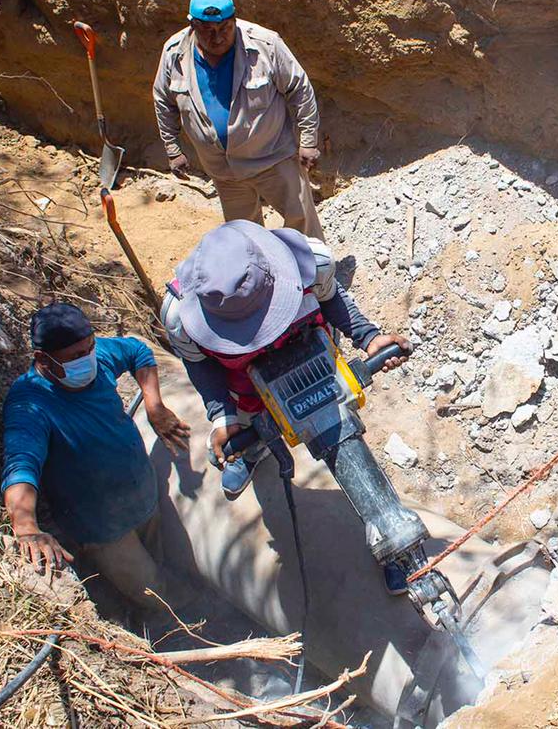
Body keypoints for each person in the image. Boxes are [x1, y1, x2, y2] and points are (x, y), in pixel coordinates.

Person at [160, 220, 412, 589]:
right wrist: (223, 416)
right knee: (247, 429)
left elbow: (332, 298)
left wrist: (367, 335)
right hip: (248, 390)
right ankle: (252, 452)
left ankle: (395, 542)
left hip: (317, 369)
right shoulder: (179, 319)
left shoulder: (312, 261)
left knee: (344, 444)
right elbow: (199, 366)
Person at [1, 302, 192, 613]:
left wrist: (155, 407)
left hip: (143, 497)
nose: (87, 359)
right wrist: (25, 526)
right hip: (102, 528)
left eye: (89, 347)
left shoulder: (95, 355)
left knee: (162, 558)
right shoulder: (30, 404)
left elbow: (138, 352)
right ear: (42, 359)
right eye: (75, 356)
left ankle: (178, 599)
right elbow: (22, 465)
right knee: (153, 592)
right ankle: (172, 624)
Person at [153, 0, 325, 239]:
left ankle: (316, 276)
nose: (217, 37)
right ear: (192, 25)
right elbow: (163, 100)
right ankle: (262, 277)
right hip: (224, 169)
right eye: (207, 30)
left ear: (234, 20)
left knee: (301, 221)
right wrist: (172, 148)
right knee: (245, 235)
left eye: (224, 28)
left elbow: (299, 88)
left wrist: (308, 141)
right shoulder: (174, 54)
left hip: (272, 157)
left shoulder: (265, 44)